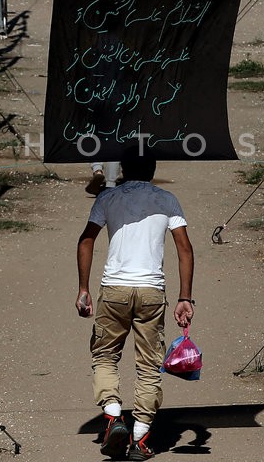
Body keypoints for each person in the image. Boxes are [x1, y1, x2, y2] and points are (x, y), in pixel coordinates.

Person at [75, 146, 195, 460]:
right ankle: (141, 438)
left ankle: (114, 416)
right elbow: (185, 249)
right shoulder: (166, 200)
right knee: (149, 366)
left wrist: (83, 288)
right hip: (152, 292)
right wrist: (185, 297)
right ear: (153, 170)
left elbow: (86, 239)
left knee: (104, 355)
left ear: (123, 169)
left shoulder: (107, 198)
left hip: (114, 289)